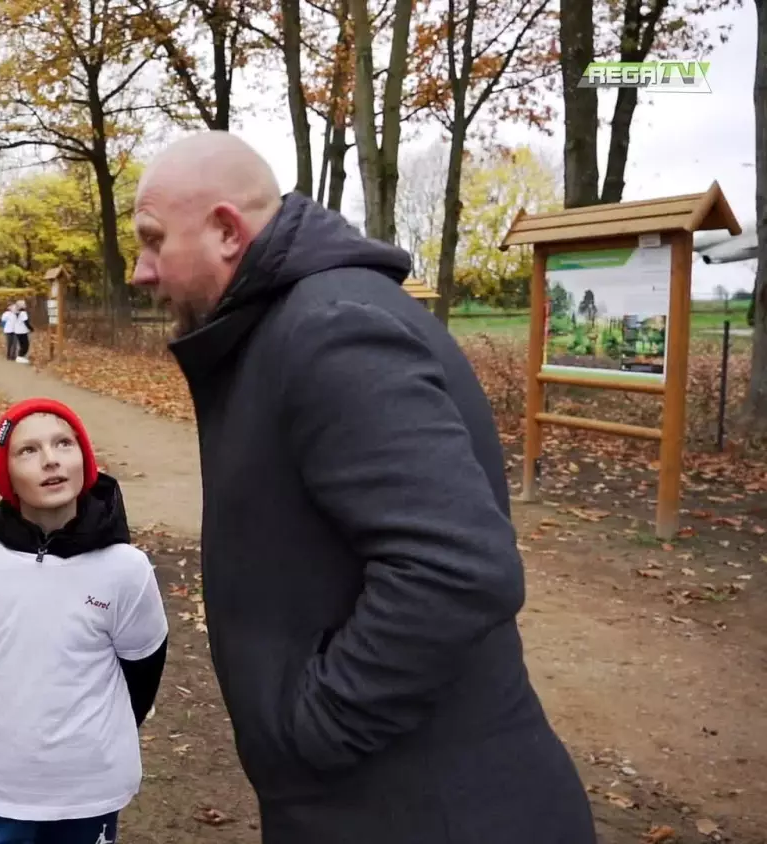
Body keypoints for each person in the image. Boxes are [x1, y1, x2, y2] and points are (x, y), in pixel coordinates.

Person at [128, 130, 596, 844]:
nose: (140, 269)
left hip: (428, 811)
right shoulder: (286, 325)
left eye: (154, 240)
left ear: (226, 230)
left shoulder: (328, 329)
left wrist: (313, 733)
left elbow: (456, 570)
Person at [0, 398, 169, 844]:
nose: (51, 460)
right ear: (5, 475)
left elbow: (141, 676)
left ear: (84, 459)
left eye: (64, 443)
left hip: (89, 789)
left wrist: (93, 742)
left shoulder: (126, 569)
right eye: (28, 450)